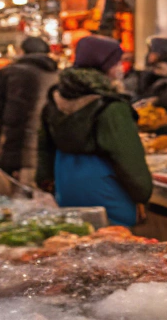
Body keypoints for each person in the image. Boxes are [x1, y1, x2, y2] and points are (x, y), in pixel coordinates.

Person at [35, 35, 152, 228]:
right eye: (117, 62)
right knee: (114, 250)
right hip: (107, 192)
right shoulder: (111, 107)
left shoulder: (55, 100)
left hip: (66, 187)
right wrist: (142, 195)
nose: (121, 68)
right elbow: (129, 157)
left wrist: (45, 182)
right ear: (105, 65)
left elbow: (44, 147)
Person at [0, 37, 58, 177]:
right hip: (45, 146)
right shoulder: (55, 75)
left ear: (22, 51)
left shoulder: (8, 73)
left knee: (6, 187)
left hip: (13, 142)